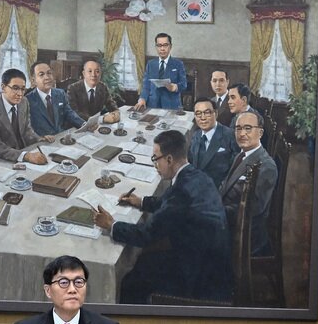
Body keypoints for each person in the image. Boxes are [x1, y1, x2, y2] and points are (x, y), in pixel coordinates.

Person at [92, 130, 231, 303]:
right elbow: (172, 206)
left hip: (198, 272)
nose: (154, 164)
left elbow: (146, 235)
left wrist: (111, 225)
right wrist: (140, 202)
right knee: (141, 262)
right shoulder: (195, 176)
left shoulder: (180, 191)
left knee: (129, 281)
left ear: (169, 159)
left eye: (155, 158)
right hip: (209, 257)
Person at [219, 109, 279, 257]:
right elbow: (226, 186)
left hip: (246, 234)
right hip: (229, 218)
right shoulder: (242, 154)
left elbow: (254, 208)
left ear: (260, 133)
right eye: (238, 128)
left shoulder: (266, 166)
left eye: (248, 128)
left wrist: (217, 212)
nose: (242, 134)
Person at [0, 68, 51, 165]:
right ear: (3, 87)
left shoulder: (24, 102)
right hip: (1, 161)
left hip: (24, 156)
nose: (20, 94)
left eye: (23, 89)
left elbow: (27, 130)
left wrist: (39, 139)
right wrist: (25, 156)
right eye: (15, 88)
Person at [28, 61, 89, 137]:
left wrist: (83, 124)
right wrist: (39, 138)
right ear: (33, 80)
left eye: (49, 73)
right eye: (41, 74)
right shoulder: (27, 100)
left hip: (60, 137)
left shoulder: (60, 93)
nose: (47, 77)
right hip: (42, 142)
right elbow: (27, 129)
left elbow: (69, 113)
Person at [187, 98, 237, 188]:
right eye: (198, 114)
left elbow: (236, 170)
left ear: (216, 113)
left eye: (207, 113)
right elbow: (190, 161)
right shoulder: (196, 135)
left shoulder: (230, 136)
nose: (202, 118)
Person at [135, 33, 186, 111]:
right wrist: (142, 99)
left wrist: (175, 87)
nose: (162, 48)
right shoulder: (151, 64)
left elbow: (184, 84)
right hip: (152, 105)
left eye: (165, 45)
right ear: (156, 47)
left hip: (171, 106)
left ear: (170, 46)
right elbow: (146, 86)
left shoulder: (178, 64)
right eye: (159, 45)